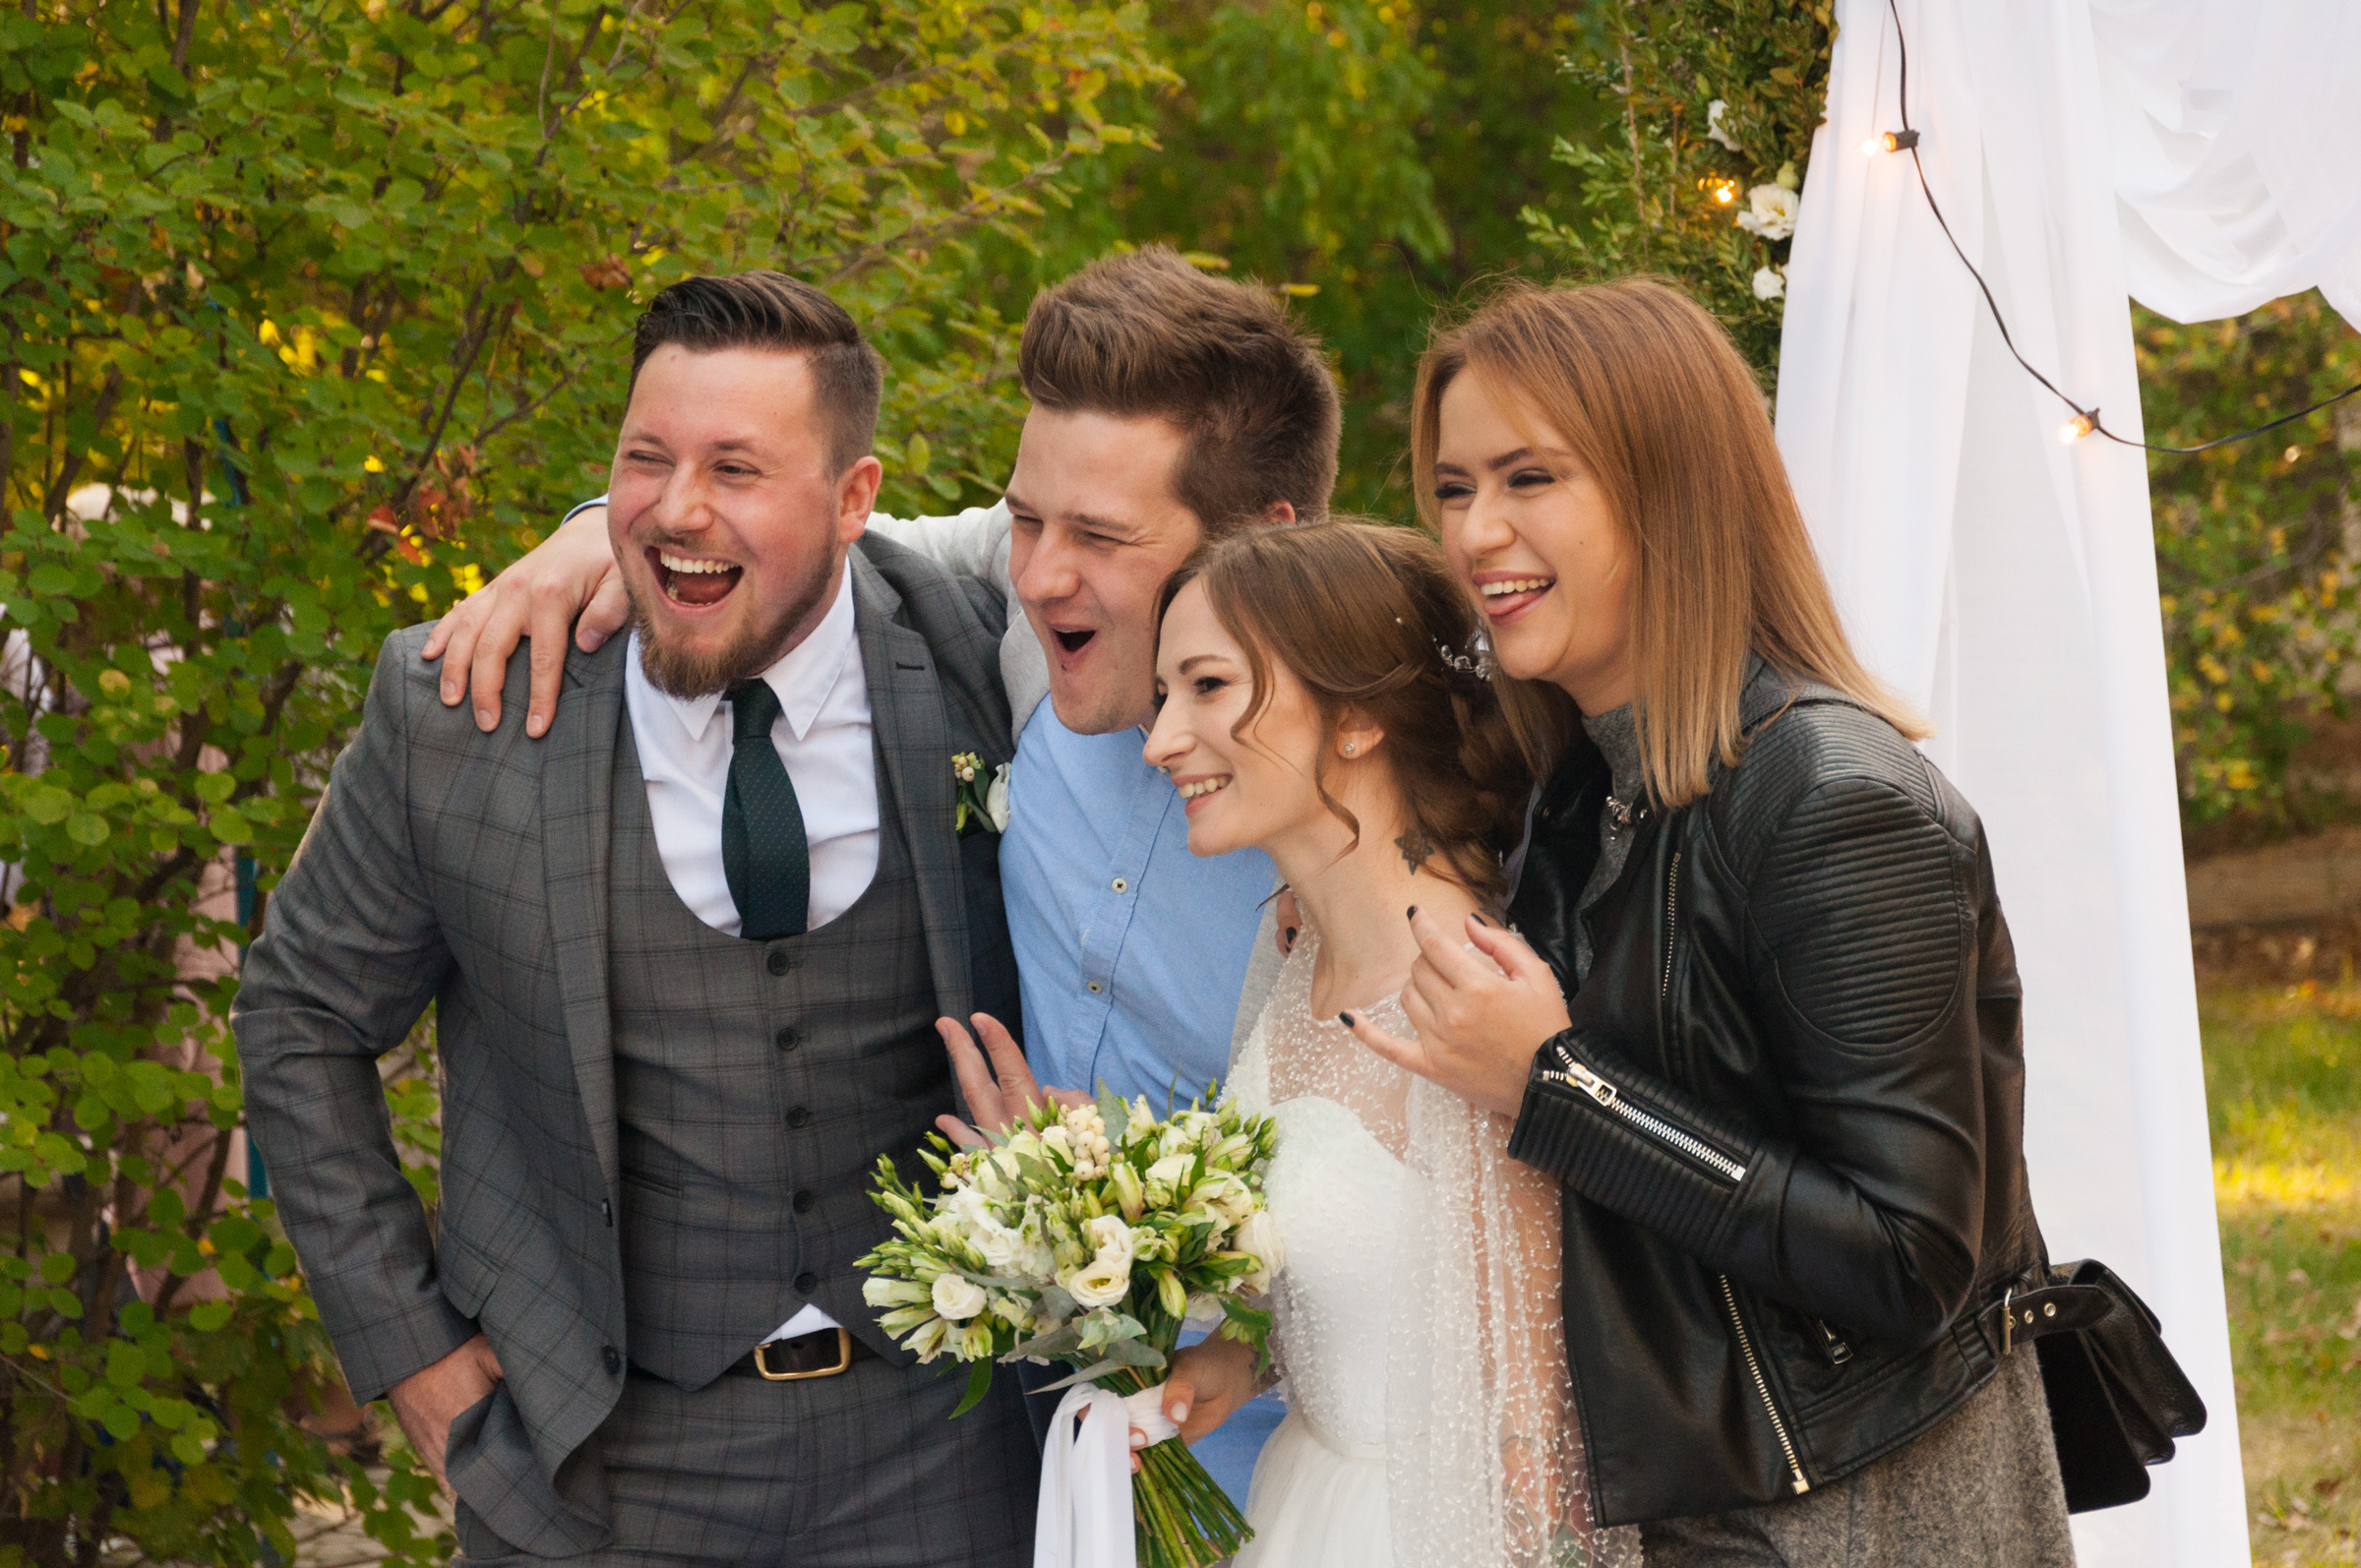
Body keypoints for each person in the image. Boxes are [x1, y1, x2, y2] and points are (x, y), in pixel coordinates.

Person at [417, 246, 1336, 1500]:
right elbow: (809, 530)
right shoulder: (1031, 644)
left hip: (1289, 1471)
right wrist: (594, 539)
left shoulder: (1390, 808)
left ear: (1264, 543)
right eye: (1025, 519)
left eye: (1100, 536)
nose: (1040, 571)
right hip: (1052, 1481)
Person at [234, 272, 1037, 1565]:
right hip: (595, 1466)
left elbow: (1180, 548)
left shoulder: (977, 656)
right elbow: (298, 1015)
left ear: (854, 500)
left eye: (736, 466)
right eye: (644, 459)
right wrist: (414, 1350)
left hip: (939, 1447)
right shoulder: (466, 709)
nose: (677, 508)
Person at [1346, 278, 2077, 1564]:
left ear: (1667, 488)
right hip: (1704, 1510)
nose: (1476, 530)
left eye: (1530, 477)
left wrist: (1557, 1082)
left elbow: (1912, 1258)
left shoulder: (1833, 804)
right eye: (1455, 487)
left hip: (1870, 1507)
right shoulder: (1582, 796)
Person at [1115, 519, 1641, 1568]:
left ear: (1354, 718)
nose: (1161, 737)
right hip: (1302, 1506)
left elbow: (1536, 1414)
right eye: (1165, 694)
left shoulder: (1469, 999)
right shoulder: (1295, 962)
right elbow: (1387, 1281)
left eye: (1208, 687)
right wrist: (1244, 1354)